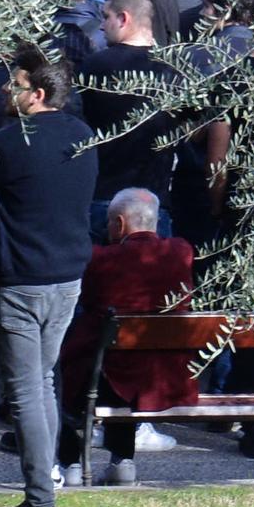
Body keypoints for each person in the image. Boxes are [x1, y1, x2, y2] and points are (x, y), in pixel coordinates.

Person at [0, 43, 99, 507]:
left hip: (19, 280)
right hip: (66, 277)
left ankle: (40, 500)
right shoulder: (83, 136)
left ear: (39, 92)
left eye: (17, 85)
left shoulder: (9, 141)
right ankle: (44, 488)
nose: (8, 91)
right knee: (41, 381)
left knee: (26, 388)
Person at [56, 187, 197, 486]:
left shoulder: (101, 259)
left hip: (100, 378)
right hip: (162, 379)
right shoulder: (182, 252)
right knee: (123, 361)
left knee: (85, 362)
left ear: (119, 224)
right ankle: (123, 460)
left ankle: (69, 463)